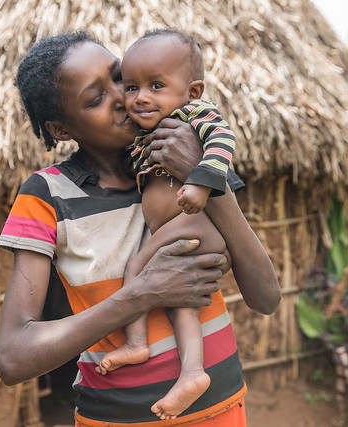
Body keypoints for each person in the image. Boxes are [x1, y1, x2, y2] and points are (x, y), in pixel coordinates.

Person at [0, 31, 281, 427]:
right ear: (61, 129)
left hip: (222, 409)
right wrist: (141, 295)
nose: (125, 98)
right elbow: (12, 358)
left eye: (119, 77)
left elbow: (266, 298)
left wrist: (203, 178)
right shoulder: (47, 196)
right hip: (117, 419)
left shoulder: (190, 158)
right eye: (96, 99)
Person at [95, 29, 239, 420]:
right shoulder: (144, 135)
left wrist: (198, 181)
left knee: (135, 268)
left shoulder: (193, 116)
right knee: (182, 309)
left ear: (192, 92)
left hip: (195, 221)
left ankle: (136, 343)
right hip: (178, 229)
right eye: (132, 86)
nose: (141, 97)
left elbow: (223, 142)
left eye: (156, 86)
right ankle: (193, 373)